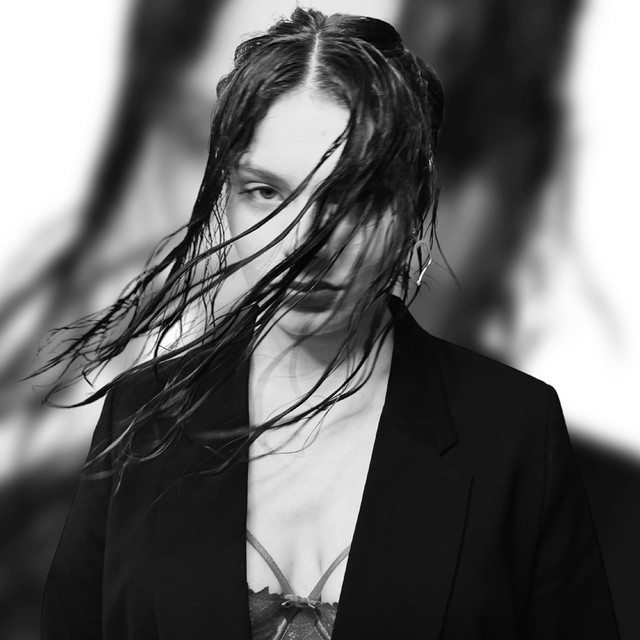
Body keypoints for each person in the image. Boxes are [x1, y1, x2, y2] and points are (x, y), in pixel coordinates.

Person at [40, 8, 619, 639]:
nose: (305, 245)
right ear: (225, 199)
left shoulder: (512, 430)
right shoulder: (143, 415)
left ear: (414, 207)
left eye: (355, 196)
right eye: (266, 192)